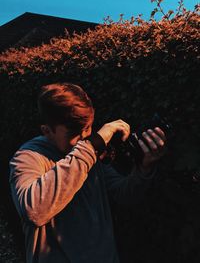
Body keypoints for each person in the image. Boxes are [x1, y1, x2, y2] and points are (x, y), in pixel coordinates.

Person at [9, 82, 166, 263]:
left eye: (88, 128)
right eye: (74, 133)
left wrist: (144, 168)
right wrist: (91, 146)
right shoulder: (28, 157)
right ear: (47, 131)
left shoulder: (88, 152)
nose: (84, 137)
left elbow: (124, 195)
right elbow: (33, 210)